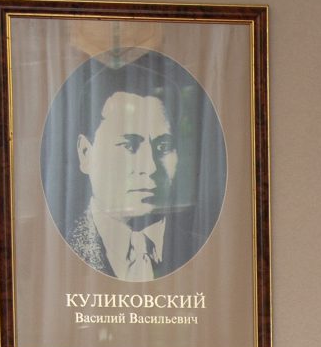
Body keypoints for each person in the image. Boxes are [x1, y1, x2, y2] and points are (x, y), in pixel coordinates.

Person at [50, 52, 207, 281]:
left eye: (163, 147)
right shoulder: (54, 254)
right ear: (86, 153)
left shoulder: (204, 251)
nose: (150, 167)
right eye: (129, 145)